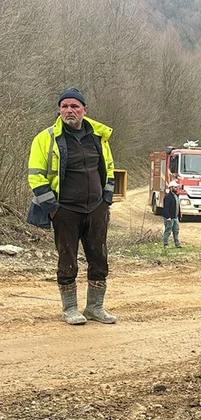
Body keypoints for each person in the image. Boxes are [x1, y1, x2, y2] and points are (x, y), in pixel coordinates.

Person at [26, 88, 117, 325]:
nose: (69, 110)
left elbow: (108, 168)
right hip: (65, 210)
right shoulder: (45, 138)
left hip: (96, 209)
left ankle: (95, 307)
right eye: (64, 106)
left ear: (85, 110)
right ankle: (70, 310)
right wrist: (54, 209)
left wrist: (106, 200)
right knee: (67, 260)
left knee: (99, 258)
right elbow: (36, 177)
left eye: (74, 106)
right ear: (59, 109)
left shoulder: (98, 137)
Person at [163, 180, 182, 248]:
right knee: (168, 230)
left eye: (177, 187)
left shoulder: (176, 196)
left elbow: (178, 206)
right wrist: (168, 217)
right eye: (175, 187)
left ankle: (177, 244)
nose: (177, 188)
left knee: (176, 230)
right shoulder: (168, 197)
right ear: (171, 188)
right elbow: (166, 208)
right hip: (170, 218)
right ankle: (166, 244)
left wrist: (179, 214)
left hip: (175, 217)